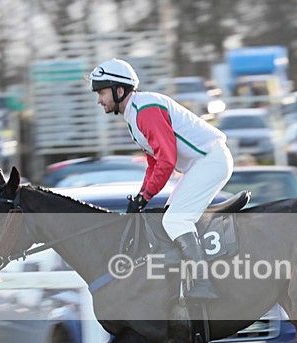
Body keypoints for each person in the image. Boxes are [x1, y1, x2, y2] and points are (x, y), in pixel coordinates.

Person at [90, 58, 234, 300]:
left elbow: (167, 159)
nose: (99, 100)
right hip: (201, 164)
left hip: (211, 161)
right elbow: (153, 163)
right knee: (168, 219)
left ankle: (203, 283)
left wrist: (147, 195)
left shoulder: (145, 111)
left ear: (119, 90)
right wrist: (141, 196)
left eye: (102, 92)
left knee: (175, 220)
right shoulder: (133, 117)